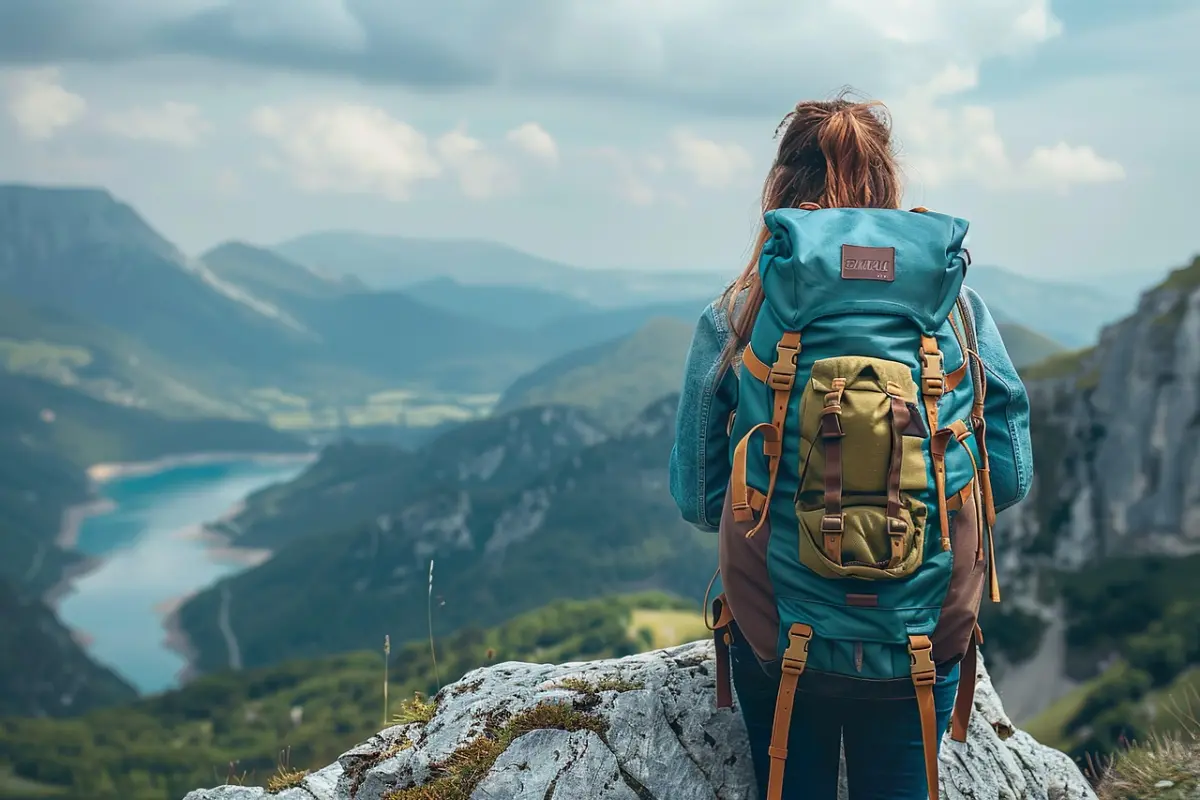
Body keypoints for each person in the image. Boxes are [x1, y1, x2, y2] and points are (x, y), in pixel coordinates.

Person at [668, 94, 1033, 800]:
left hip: (781, 629)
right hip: (920, 630)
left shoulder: (738, 312)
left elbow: (700, 500)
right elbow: (1009, 478)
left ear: (780, 188)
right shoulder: (955, 310)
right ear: (887, 186)